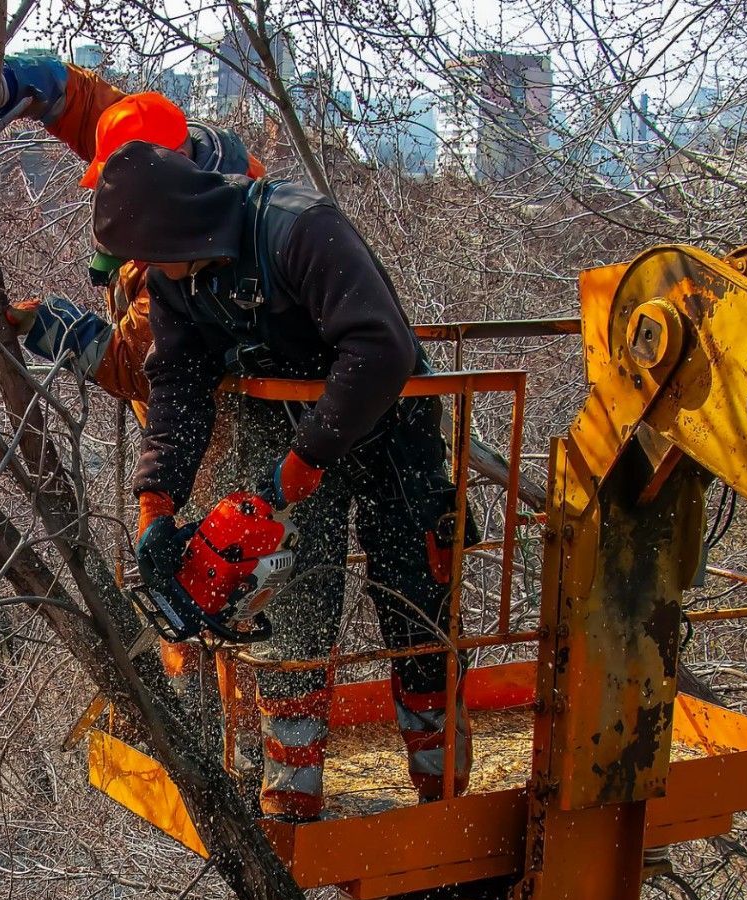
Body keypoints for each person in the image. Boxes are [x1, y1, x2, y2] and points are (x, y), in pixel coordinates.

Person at [95, 140, 472, 821]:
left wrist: (305, 462)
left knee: (415, 600)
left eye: (151, 257)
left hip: (389, 418)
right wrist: (157, 504)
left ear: (177, 225)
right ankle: (291, 788)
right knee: (290, 605)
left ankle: (439, 792)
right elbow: (178, 385)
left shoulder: (299, 228)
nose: (149, 273)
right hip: (284, 425)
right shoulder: (181, 280)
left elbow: (379, 345)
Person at [0, 56, 266, 686]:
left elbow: (143, 365)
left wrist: (59, 329)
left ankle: (224, 723)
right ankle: (198, 693)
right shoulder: (165, 146)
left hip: (219, 433)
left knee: (209, 583)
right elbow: (88, 105)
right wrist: (11, 84)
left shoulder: (202, 246)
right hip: (183, 427)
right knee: (184, 578)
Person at [0, 55, 264, 408]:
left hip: (216, 424)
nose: (113, 195)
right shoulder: (154, 146)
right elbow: (81, 98)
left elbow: (139, 367)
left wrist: (48, 323)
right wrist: (5, 85)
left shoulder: (208, 254)